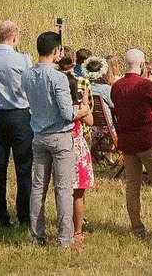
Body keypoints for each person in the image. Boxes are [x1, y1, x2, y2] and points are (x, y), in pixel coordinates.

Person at [21, 31, 78, 248]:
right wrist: (79, 112)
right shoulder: (58, 77)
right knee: (63, 189)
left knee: (38, 187)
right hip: (60, 136)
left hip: (39, 134)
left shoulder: (27, 74)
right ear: (56, 51)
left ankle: (37, 236)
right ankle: (65, 238)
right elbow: (66, 113)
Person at [111, 48, 152, 239]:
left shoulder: (117, 86)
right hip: (147, 139)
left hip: (127, 140)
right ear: (143, 64)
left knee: (132, 185)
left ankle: (137, 227)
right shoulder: (146, 85)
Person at [0, 20, 34, 227]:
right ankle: (25, 215)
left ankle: (0, 215)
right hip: (20, 115)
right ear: (15, 37)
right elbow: (29, 85)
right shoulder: (23, 59)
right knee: (23, 166)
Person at [58, 49, 95, 243]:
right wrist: (85, 103)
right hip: (77, 149)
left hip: (60, 148)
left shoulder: (58, 107)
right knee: (78, 194)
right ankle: (77, 230)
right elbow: (90, 120)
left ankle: (64, 226)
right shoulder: (79, 107)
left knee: (63, 190)